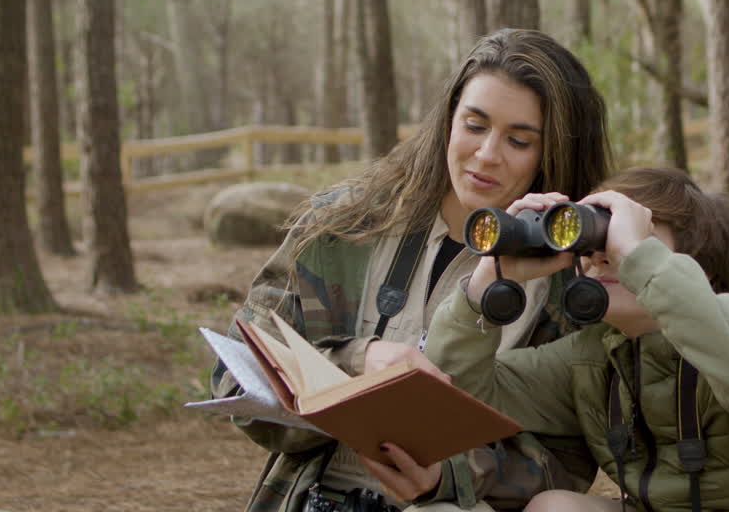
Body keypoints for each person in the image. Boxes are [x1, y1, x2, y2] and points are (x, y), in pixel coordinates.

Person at [211, 29, 613, 512]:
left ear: (553, 153)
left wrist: (451, 476)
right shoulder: (344, 227)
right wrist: (359, 362)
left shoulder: (573, 282)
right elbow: (235, 378)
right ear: (448, 120)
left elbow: (568, 461)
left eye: (519, 140)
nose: (487, 154)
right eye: (474, 125)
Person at [363, 167, 729, 512]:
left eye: (623, 238)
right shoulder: (597, 355)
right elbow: (462, 391)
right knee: (554, 506)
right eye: (594, 240)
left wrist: (637, 257)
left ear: (691, 268)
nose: (602, 254)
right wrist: (487, 284)